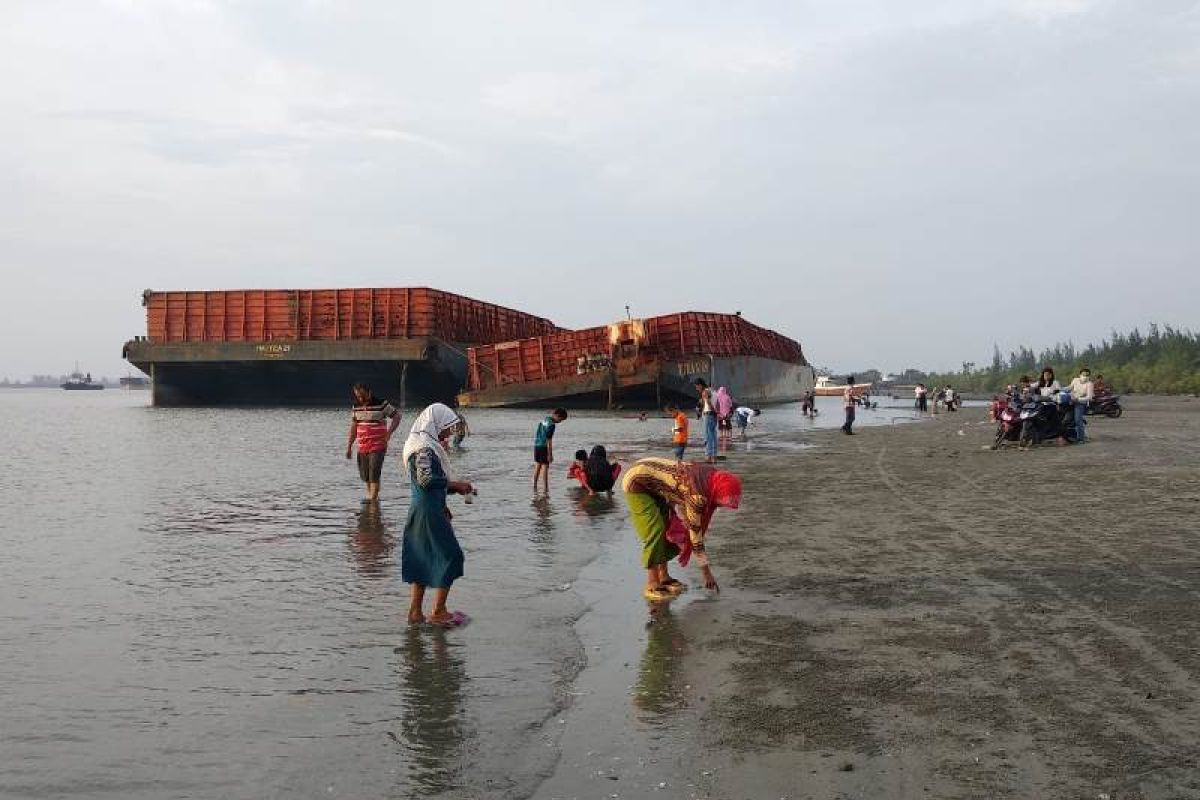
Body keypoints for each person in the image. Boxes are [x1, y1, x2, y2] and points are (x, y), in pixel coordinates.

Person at [622, 457, 742, 601]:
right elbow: (695, 536)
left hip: (655, 485)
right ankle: (652, 581)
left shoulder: (710, 478)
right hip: (636, 482)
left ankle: (664, 576)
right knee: (656, 529)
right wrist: (706, 573)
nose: (721, 505)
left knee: (667, 527)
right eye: (723, 501)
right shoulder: (697, 495)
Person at [400, 403, 474, 626]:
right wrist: (455, 483)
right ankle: (439, 611)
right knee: (451, 556)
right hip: (427, 511)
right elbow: (425, 479)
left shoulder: (421, 445)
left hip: (425, 508)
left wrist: (451, 491)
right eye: (445, 427)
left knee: (422, 558)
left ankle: (415, 613)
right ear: (435, 424)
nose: (446, 433)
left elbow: (427, 483)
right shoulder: (423, 448)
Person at [345, 383, 402, 502]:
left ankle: (371, 503)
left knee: (374, 474)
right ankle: (373, 501)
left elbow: (397, 416)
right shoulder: (356, 407)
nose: (361, 399)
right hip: (362, 447)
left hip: (378, 445)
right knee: (366, 476)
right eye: (358, 396)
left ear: (369, 392)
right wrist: (349, 447)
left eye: (363, 396)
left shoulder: (381, 404)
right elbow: (354, 427)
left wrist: (389, 433)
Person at [533, 408, 568, 493]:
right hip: (544, 446)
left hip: (536, 445)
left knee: (538, 465)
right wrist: (550, 454)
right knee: (545, 467)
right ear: (557, 416)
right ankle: (545, 488)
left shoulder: (544, 420)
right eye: (560, 419)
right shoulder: (551, 425)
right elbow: (549, 440)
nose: (560, 422)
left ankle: (534, 484)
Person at [1068, 367, 1095, 443]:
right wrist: (1060, 389)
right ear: (1080, 374)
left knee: (1078, 420)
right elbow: (1069, 388)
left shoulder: (1089, 384)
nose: (1085, 377)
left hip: (1081, 403)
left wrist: (1078, 399)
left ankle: (1081, 439)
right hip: (1072, 400)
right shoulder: (1075, 380)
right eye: (1083, 375)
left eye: (1087, 375)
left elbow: (1089, 397)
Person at [694, 378, 718, 464]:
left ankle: (708, 456)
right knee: (714, 436)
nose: (696, 389)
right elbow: (717, 403)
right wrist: (717, 412)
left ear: (700, 385)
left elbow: (707, 402)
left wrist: (713, 410)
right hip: (714, 416)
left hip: (708, 414)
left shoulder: (705, 392)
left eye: (696, 387)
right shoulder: (713, 391)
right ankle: (714, 457)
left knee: (708, 436)